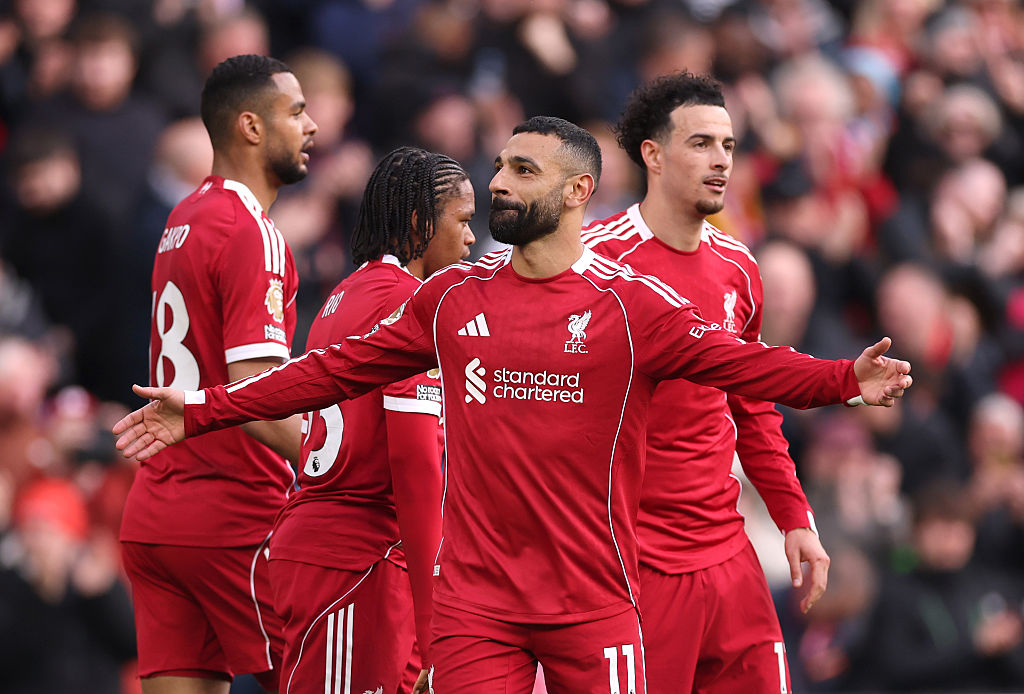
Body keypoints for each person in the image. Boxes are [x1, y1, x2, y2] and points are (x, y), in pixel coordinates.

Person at [113, 116, 911, 694]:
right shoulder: (454, 299)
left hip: (592, 602)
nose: (497, 183)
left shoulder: (632, 307)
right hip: (476, 607)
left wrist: (844, 378)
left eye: (522, 171)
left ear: (577, 191)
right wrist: (207, 408)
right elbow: (332, 372)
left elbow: (746, 366)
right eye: (498, 167)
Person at [581, 71, 826, 693]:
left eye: (729, 146)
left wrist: (793, 516)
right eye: (701, 144)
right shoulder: (591, 263)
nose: (721, 161)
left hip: (725, 547)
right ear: (653, 155)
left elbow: (753, 407)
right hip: (632, 558)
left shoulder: (739, 266)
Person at [117, 54, 317, 694]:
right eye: (296, 112)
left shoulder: (183, 217)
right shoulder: (250, 231)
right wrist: (333, 460)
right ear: (252, 128)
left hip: (156, 515)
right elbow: (256, 393)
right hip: (235, 516)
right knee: (335, 675)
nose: (310, 126)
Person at [268, 146, 474, 694]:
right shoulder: (409, 305)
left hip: (332, 549)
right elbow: (412, 462)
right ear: (419, 223)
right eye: (463, 221)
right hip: (357, 558)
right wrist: (435, 627)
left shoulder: (344, 294)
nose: (472, 239)